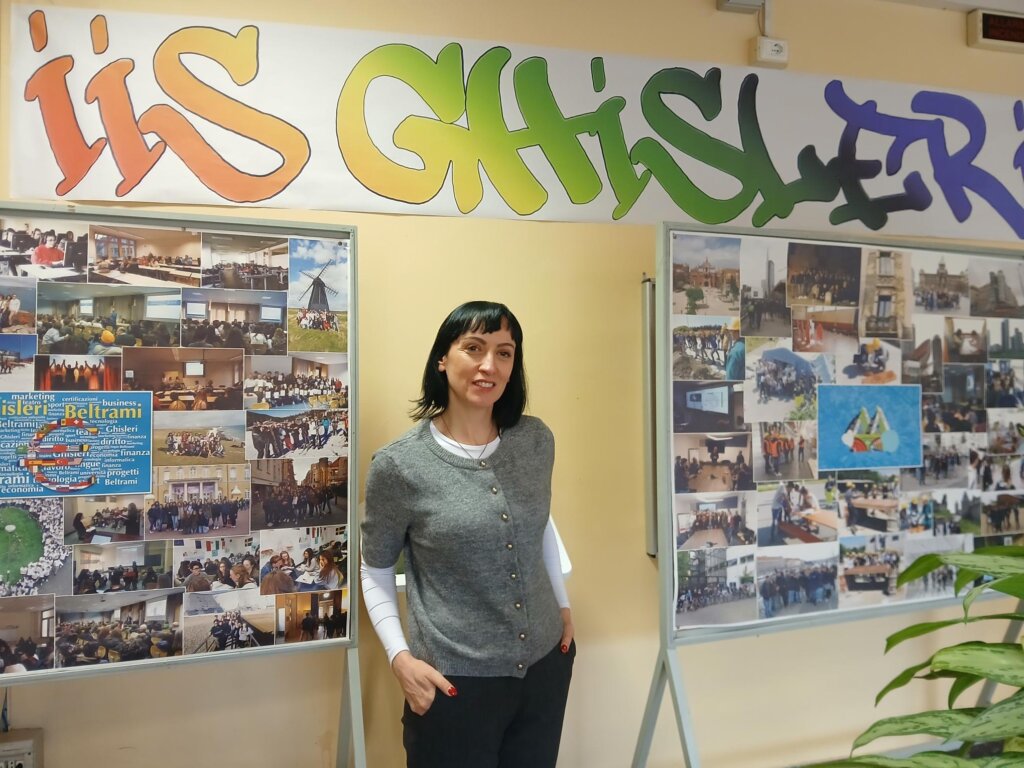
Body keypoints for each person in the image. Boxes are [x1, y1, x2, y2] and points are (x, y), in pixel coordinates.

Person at [361, 301, 574, 768]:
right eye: (473, 348)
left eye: (504, 353)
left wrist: (563, 608)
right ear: (443, 358)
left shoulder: (535, 441)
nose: (488, 365)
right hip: (455, 683)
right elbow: (374, 569)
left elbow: (539, 527)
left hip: (545, 670)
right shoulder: (399, 466)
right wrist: (400, 658)